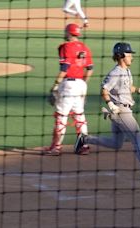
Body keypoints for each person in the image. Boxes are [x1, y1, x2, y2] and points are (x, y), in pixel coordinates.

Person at [74, 42, 140, 182]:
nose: (131, 57)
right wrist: (111, 105)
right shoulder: (115, 73)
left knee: (116, 143)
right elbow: (104, 90)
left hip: (121, 109)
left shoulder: (126, 71)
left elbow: (127, 87)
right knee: (137, 138)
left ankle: (85, 139)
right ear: (121, 56)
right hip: (120, 111)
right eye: (129, 54)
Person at [44, 23, 94, 156]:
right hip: (81, 85)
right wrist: (83, 84)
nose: (64, 33)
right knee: (79, 116)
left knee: (61, 116)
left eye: (66, 31)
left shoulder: (65, 47)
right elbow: (90, 69)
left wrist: (55, 86)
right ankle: (83, 147)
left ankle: (56, 148)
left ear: (70, 33)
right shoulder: (85, 48)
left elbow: (64, 69)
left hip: (68, 85)